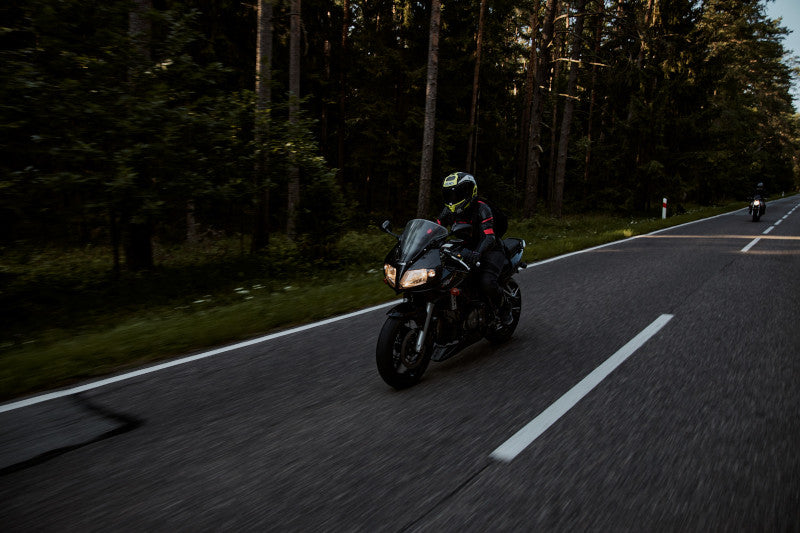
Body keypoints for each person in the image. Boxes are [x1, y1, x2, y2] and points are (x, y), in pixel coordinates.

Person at [435, 171, 513, 326]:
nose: (453, 199)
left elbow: (489, 236)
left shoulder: (482, 209)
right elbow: (435, 228)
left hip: (491, 249)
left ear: (470, 191)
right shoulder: (447, 211)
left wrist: (477, 252)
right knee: (444, 278)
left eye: (457, 194)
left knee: (486, 282)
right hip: (466, 247)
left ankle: (505, 308)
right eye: (449, 195)